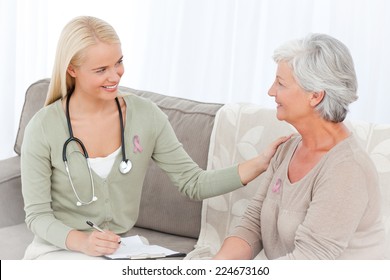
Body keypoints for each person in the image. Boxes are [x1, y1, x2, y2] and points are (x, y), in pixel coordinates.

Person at [20, 16, 289, 259]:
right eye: (101, 70)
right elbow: (37, 216)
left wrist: (259, 163)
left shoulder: (145, 115)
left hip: (118, 250)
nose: (115, 76)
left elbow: (193, 183)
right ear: (72, 70)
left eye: (119, 63)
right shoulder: (43, 127)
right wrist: (82, 242)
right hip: (58, 249)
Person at [213, 33, 386, 260]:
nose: (271, 91)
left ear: (315, 96)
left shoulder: (347, 169)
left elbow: (309, 260)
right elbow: (252, 225)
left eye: (281, 83)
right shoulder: (288, 149)